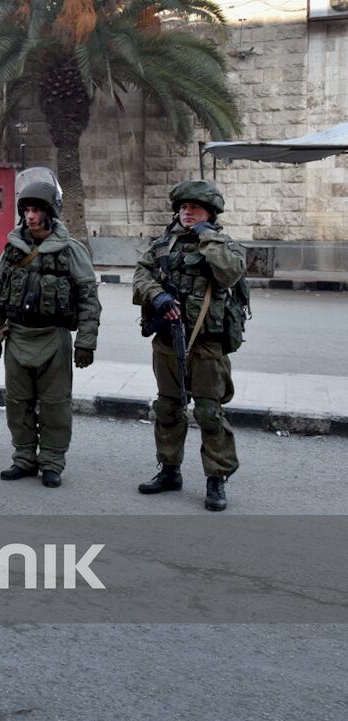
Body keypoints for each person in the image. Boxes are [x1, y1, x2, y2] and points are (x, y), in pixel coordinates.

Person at [132, 180, 247, 512]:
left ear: (210, 213)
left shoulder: (224, 245)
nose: (187, 213)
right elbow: (141, 276)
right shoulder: (163, 246)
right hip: (168, 342)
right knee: (167, 408)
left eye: (194, 208)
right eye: (183, 208)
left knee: (209, 413)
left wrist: (206, 235)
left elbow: (228, 274)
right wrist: (159, 295)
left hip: (207, 346)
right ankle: (169, 471)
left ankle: (216, 479)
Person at [0, 168, 101, 488]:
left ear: (50, 213)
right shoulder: (12, 251)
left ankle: (51, 461)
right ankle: (23, 457)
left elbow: (89, 297)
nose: (31, 216)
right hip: (18, 336)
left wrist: (87, 341)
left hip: (54, 338)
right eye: (27, 211)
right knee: (17, 402)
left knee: (55, 404)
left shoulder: (72, 250)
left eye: (37, 210)